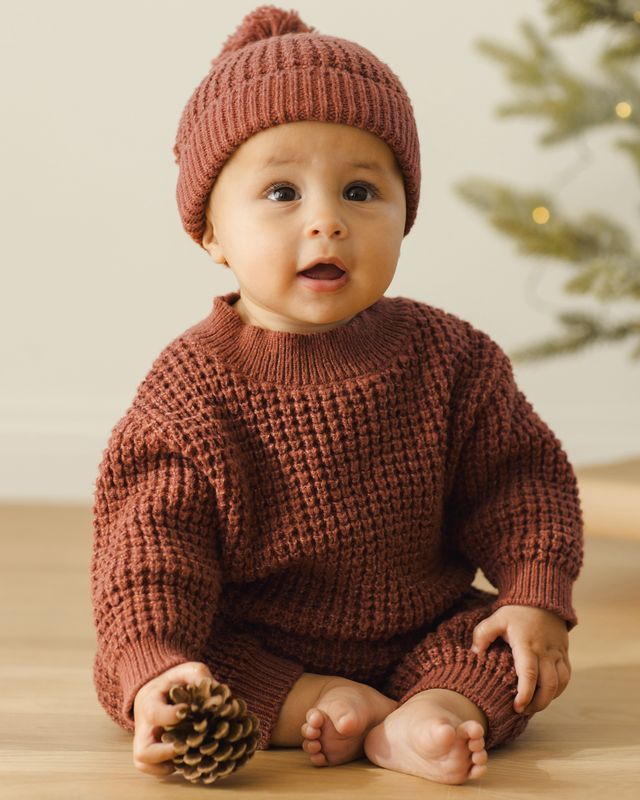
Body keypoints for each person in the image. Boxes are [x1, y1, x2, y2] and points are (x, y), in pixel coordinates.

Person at [90, 4, 584, 787]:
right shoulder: (190, 391)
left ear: (405, 214)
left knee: (501, 650)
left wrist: (534, 595)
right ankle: (316, 700)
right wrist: (157, 665)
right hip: (252, 639)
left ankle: (432, 711)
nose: (327, 221)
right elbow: (150, 551)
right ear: (210, 232)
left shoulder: (451, 358)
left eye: (360, 190)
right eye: (281, 193)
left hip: (422, 628)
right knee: (170, 673)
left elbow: (520, 485)